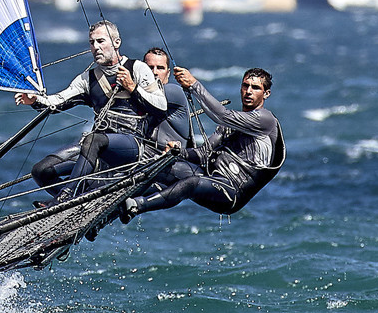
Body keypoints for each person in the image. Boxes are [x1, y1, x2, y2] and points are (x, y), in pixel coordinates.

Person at [15, 21, 168, 196]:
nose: (96, 47)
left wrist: (132, 88)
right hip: (96, 147)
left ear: (116, 43)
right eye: (92, 42)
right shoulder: (87, 79)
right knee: (41, 171)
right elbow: (58, 101)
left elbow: (161, 107)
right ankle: (75, 201)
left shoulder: (137, 68)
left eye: (101, 41)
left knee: (94, 139)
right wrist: (35, 100)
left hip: (130, 146)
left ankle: (66, 197)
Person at [123, 65, 281, 218]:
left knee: (191, 183)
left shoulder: (265, 120)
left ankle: (138, 206)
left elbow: (221, 115)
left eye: (255, 88)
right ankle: (120, 200)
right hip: (210, 179)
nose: (248, 92)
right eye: (245, 85)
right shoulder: (230, 125)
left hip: (232, 192)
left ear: (266, 94)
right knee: (164, 168)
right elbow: (203, 154)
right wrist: (178, 152)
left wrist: (194, 85)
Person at [140, 46, 190, 151]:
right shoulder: (139, 95)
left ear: (168, 73)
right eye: (150, 67)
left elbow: (148, 99)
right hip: (144, 157)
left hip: (172, 161)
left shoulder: (173, 92)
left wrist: (129, 85)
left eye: (160, 68)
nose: (154, 72)